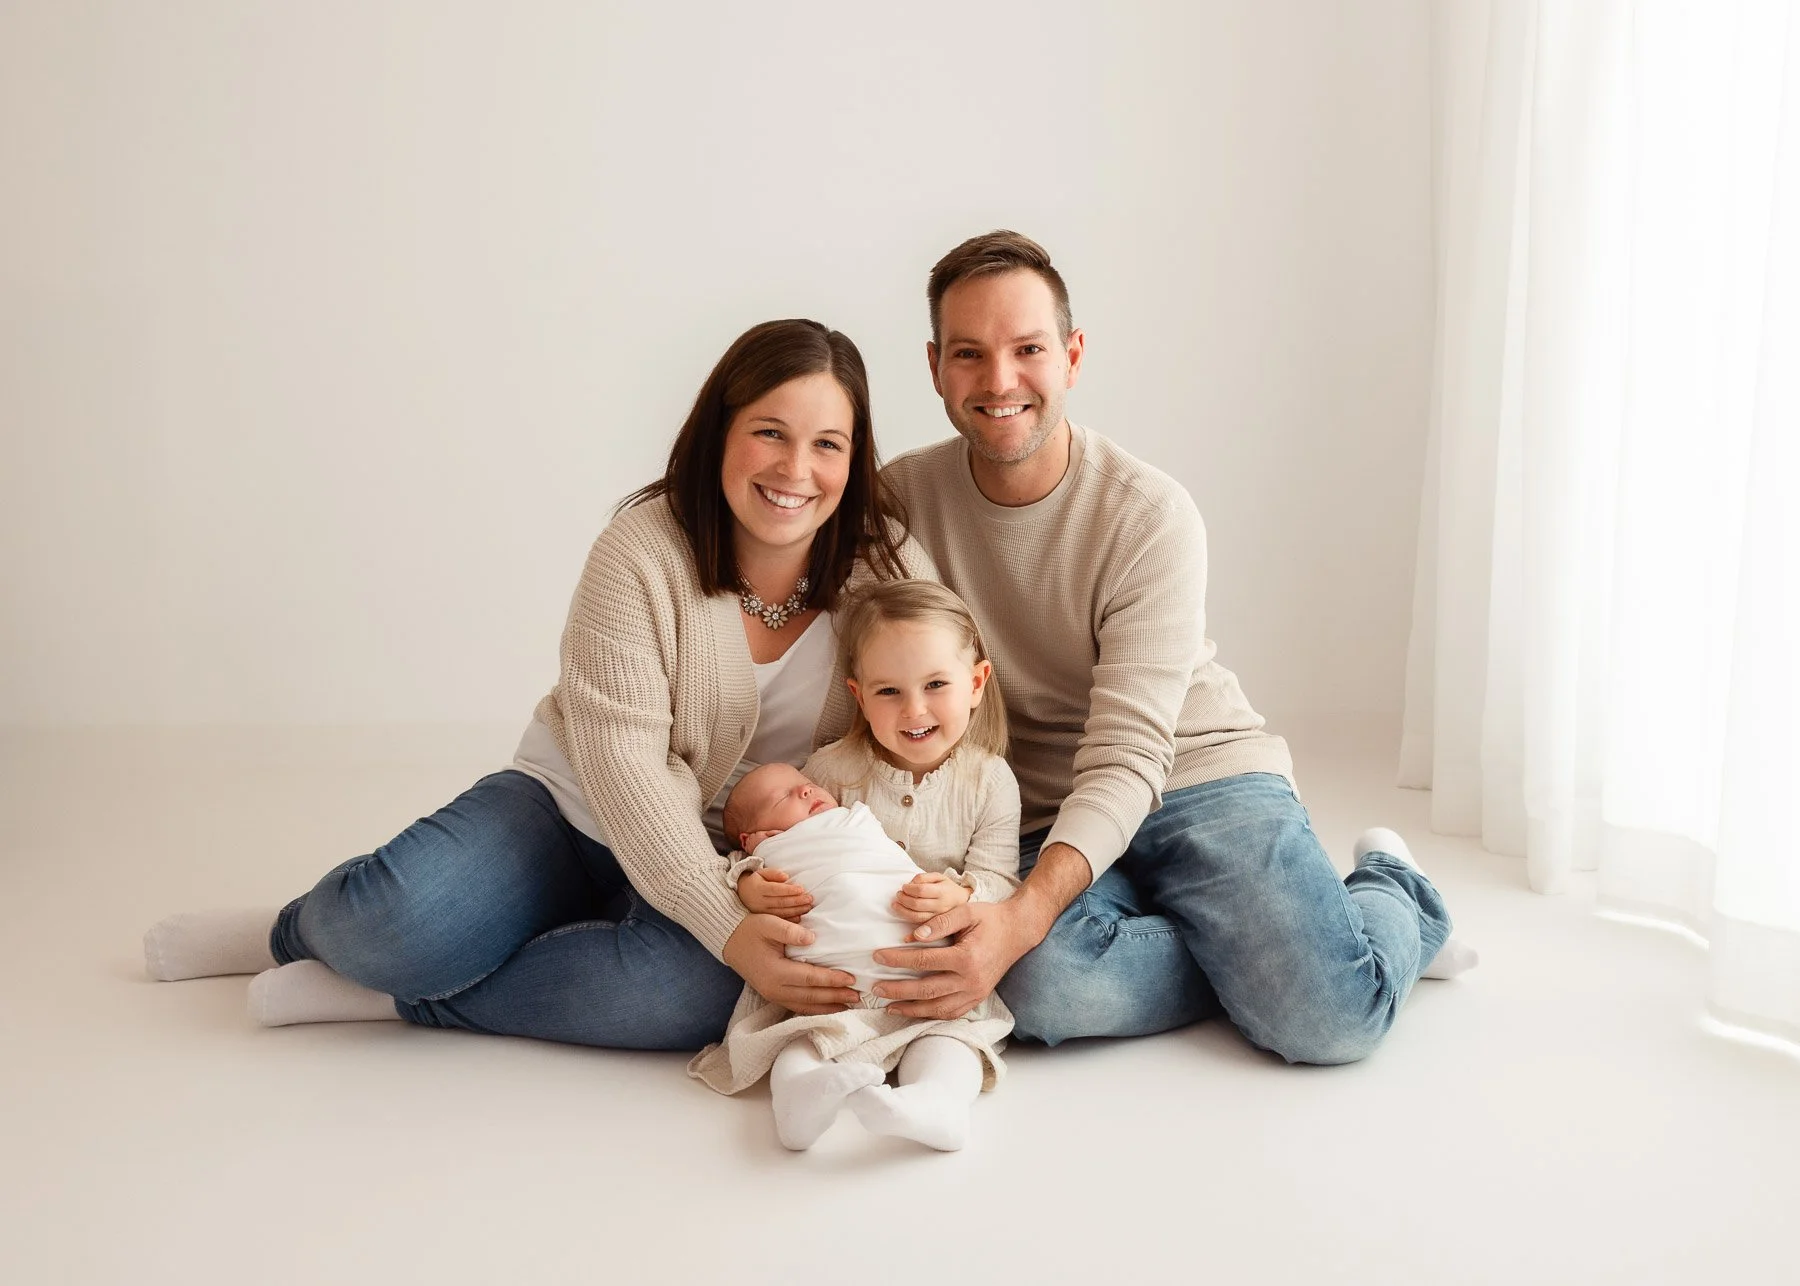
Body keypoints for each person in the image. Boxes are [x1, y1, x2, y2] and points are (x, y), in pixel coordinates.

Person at [142, 318, 933, 1048]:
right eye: (770, 432)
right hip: (572, 811)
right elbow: (623, 762)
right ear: (720, 430)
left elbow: (938, 710)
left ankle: (399, 1000)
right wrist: (721, 920)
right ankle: (291, 934)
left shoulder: (883, 566)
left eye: (828, 444)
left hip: (752, 854)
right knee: (391, 925)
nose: (798, 470)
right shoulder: (642, 550)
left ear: (854, 457)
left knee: (693, 995)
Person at [866, 230, 1479, 1065]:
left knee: (1329, 1022)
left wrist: (1022, 917)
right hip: (1038, 805)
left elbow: (1127, 753)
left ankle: (1390, 891)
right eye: (970, 354)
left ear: (1072, 356)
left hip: (1195, 770)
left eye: (1029, 349)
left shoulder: (1147, 512)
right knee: (1039, 987)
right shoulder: (898, 502)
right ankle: (1262, 954)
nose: (1000, 380)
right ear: (936, 367)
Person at [688, 580, 1020, 1152]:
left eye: (936, 685)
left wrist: (962, 895)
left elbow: (999, 880)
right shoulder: (830, 769)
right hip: (835, 973)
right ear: (858, 695)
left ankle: (934, 1105)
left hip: (928, 973)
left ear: (976, 683)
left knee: (952, 1040)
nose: (914, 710)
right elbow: (778, 846)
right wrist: (750, 883)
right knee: (803, 1033)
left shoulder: (990, 781)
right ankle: (798, 1099)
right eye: (888, 690)